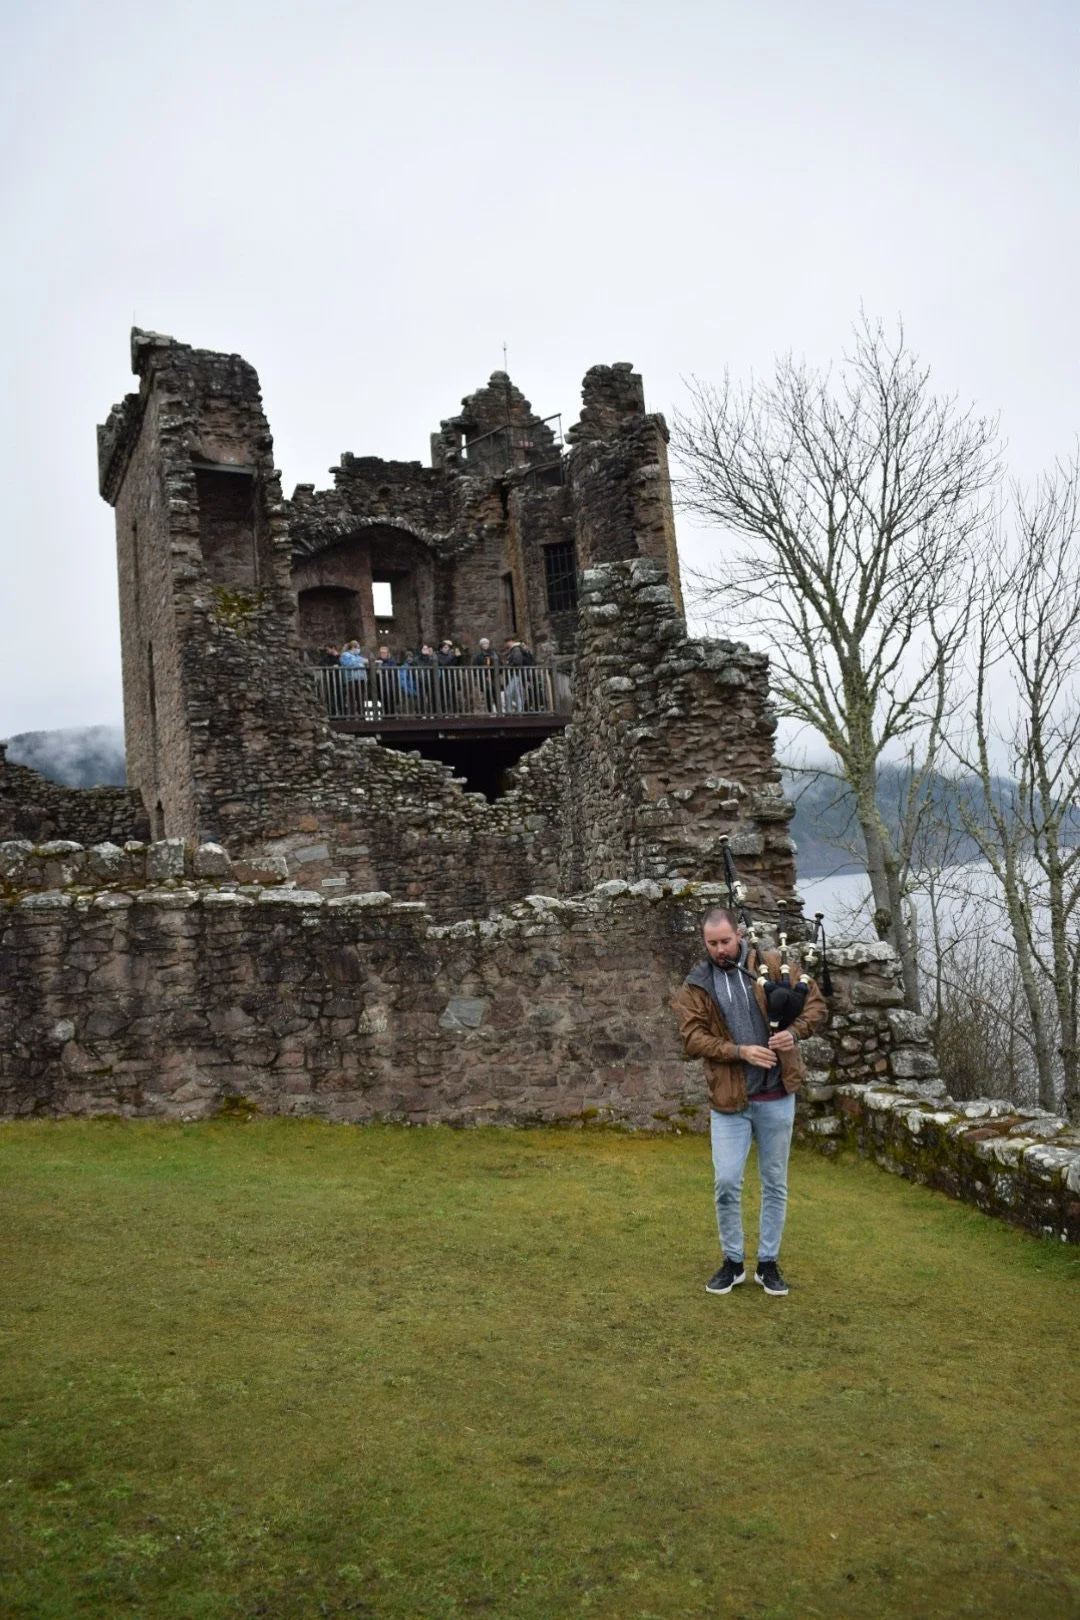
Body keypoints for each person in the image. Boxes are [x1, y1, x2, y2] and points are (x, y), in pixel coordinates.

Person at [671, 907, 828, 1298]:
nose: (720, 949)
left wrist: (794, 1033)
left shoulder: (773, 966)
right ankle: (733, 1262)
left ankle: (768, 1265)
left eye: (726, 941)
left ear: (738, 934)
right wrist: (741, 1051)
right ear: (704, 943)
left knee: (775, 1183)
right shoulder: (696, 985)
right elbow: (692, 1039)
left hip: (776, 1094)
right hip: (730, 1100)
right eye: (712, 944)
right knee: (726, 1182)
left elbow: (815, 1006)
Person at [337, 641, 368, 716]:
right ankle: (352, 715)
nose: (358, 649)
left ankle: (362, 715)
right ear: (353, 648)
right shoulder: (345, 655)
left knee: (360, 698)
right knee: (351, 698)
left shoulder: (358, 656)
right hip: (351, 679)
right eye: (357, 648)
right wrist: (358, 664)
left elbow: (365, 661)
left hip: (361, 679)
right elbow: (347, 664)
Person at [472, 637, 500, 714]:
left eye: (486, 643)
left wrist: (494, 673)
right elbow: (475, 667)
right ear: (481, 645)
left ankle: (499, 711)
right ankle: (490, 711)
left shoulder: (494, 653)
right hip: (484, 677)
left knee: (496, 694)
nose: (485, 645)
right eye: (483, 644)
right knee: (487, 694)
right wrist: (483, 675)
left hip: (494, 677)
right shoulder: (478, 655)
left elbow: (499, 664)